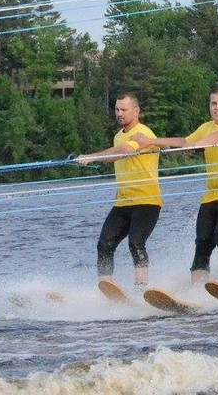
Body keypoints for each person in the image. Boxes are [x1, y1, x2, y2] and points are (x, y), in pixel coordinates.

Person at [135, 88, 218, 285]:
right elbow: (184, 141)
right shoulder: (206, 127)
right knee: (202, 242)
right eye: (213, 104)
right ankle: (197, 289)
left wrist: (196, 145)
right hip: (212, 195)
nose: (217, 108)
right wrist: (150, 141)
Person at [76, 94, 161, 288]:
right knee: (104, 244)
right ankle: (105, 286)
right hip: (123, 202)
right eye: (117, 109)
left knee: (135, 243)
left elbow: (122, 151)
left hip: (147, 202)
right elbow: (118, 149)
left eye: (124, 109)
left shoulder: (143, 134)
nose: (119, 113)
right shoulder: (118, 135)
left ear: (136, 111)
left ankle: (141, 287)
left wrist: (92, 157)